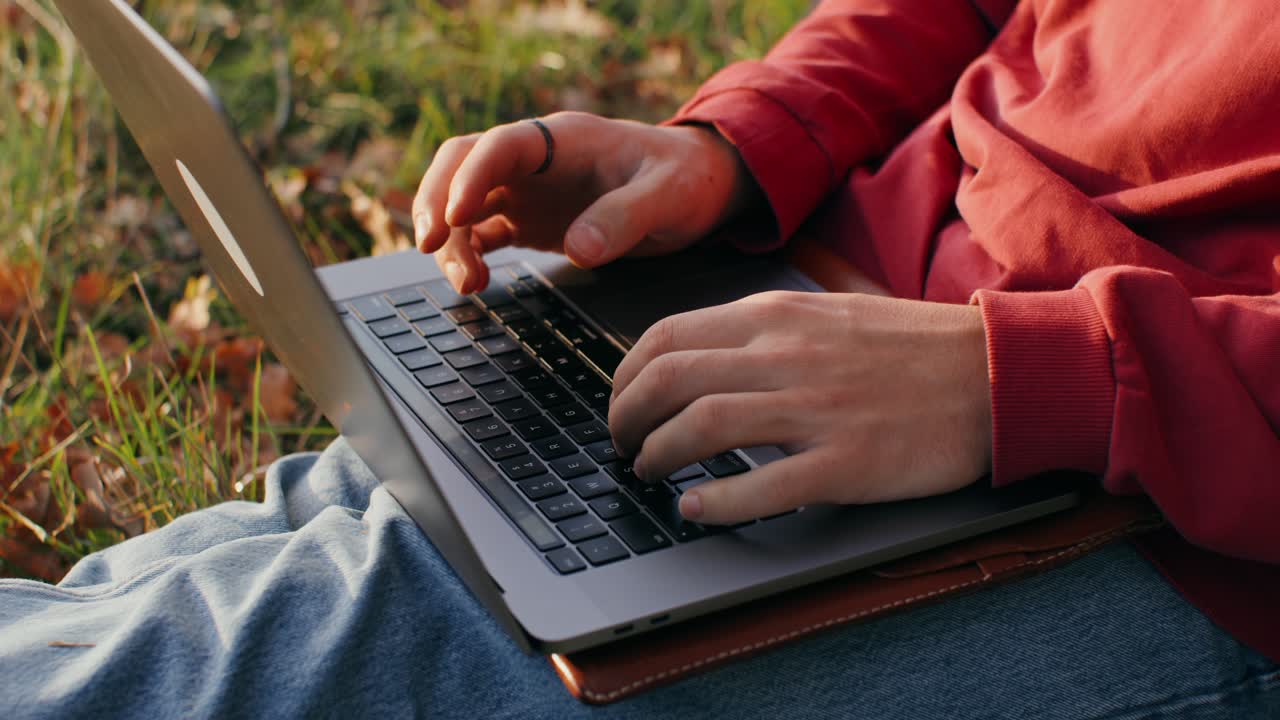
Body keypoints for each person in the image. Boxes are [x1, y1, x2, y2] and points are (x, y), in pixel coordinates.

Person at [2, 0, 1277, 717]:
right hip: (798, 304)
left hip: (1150, 513)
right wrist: (738, 147)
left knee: (244, 663)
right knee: (158, 603)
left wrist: (1030, 378)